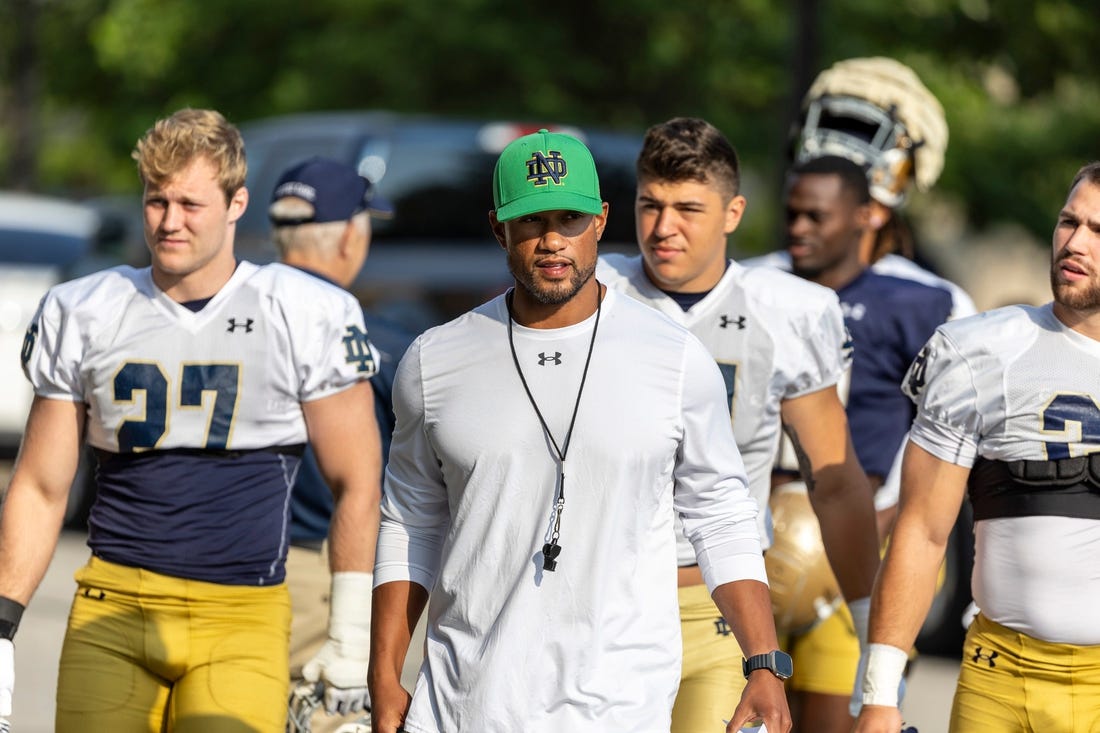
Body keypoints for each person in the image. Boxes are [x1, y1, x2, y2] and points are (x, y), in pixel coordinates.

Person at [367, 128, 792, 733]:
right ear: (498, 229)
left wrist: (763, 663)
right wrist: (383, 674)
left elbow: (720, 512)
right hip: (465, 705)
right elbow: (409, 517)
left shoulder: (673, 358)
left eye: (570, 218)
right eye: (530, 221)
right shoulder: (434, 360)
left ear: (601, 220)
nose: (551, 241)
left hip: (618, 704)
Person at [0, 108, 383, 732]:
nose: (169, 221)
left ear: (238, 204)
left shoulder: (304, 310)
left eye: (189, 203)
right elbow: (42, 486)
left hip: (242, 615)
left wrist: (349, 630)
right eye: (156, 201)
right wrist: (1, 625)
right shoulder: (85, 308)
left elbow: (359, 482)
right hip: (113, 608)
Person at [596, 117, 880, 733]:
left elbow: (834, 482)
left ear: (733, 212)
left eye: (688, 208)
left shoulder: (788, 311)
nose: (664, 227)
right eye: (651, 205)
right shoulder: (594, 291)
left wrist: (871, 637)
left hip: (718, 607)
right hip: (597, 603)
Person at [854, 162, 1100, 732]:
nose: (1075, 241)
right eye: (1069, 221)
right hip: (1001, 674)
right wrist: (879, 696)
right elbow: (922, 530)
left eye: (1097, 230)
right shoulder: (982, 351)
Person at [774, 154, 953, 732]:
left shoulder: (922, 301)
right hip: (761, 533)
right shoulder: (757, 285)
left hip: (864, 531)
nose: (798, 228)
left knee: (840, 716)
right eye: (792, 214)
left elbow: (945, 428)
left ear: (867, 215)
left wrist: (893, 514)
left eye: (815, 216)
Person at [269, 157, 415, 732]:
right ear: (352, 235)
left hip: (223, 559)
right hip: (324, 572)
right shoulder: (372, 343)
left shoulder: (234, 311)